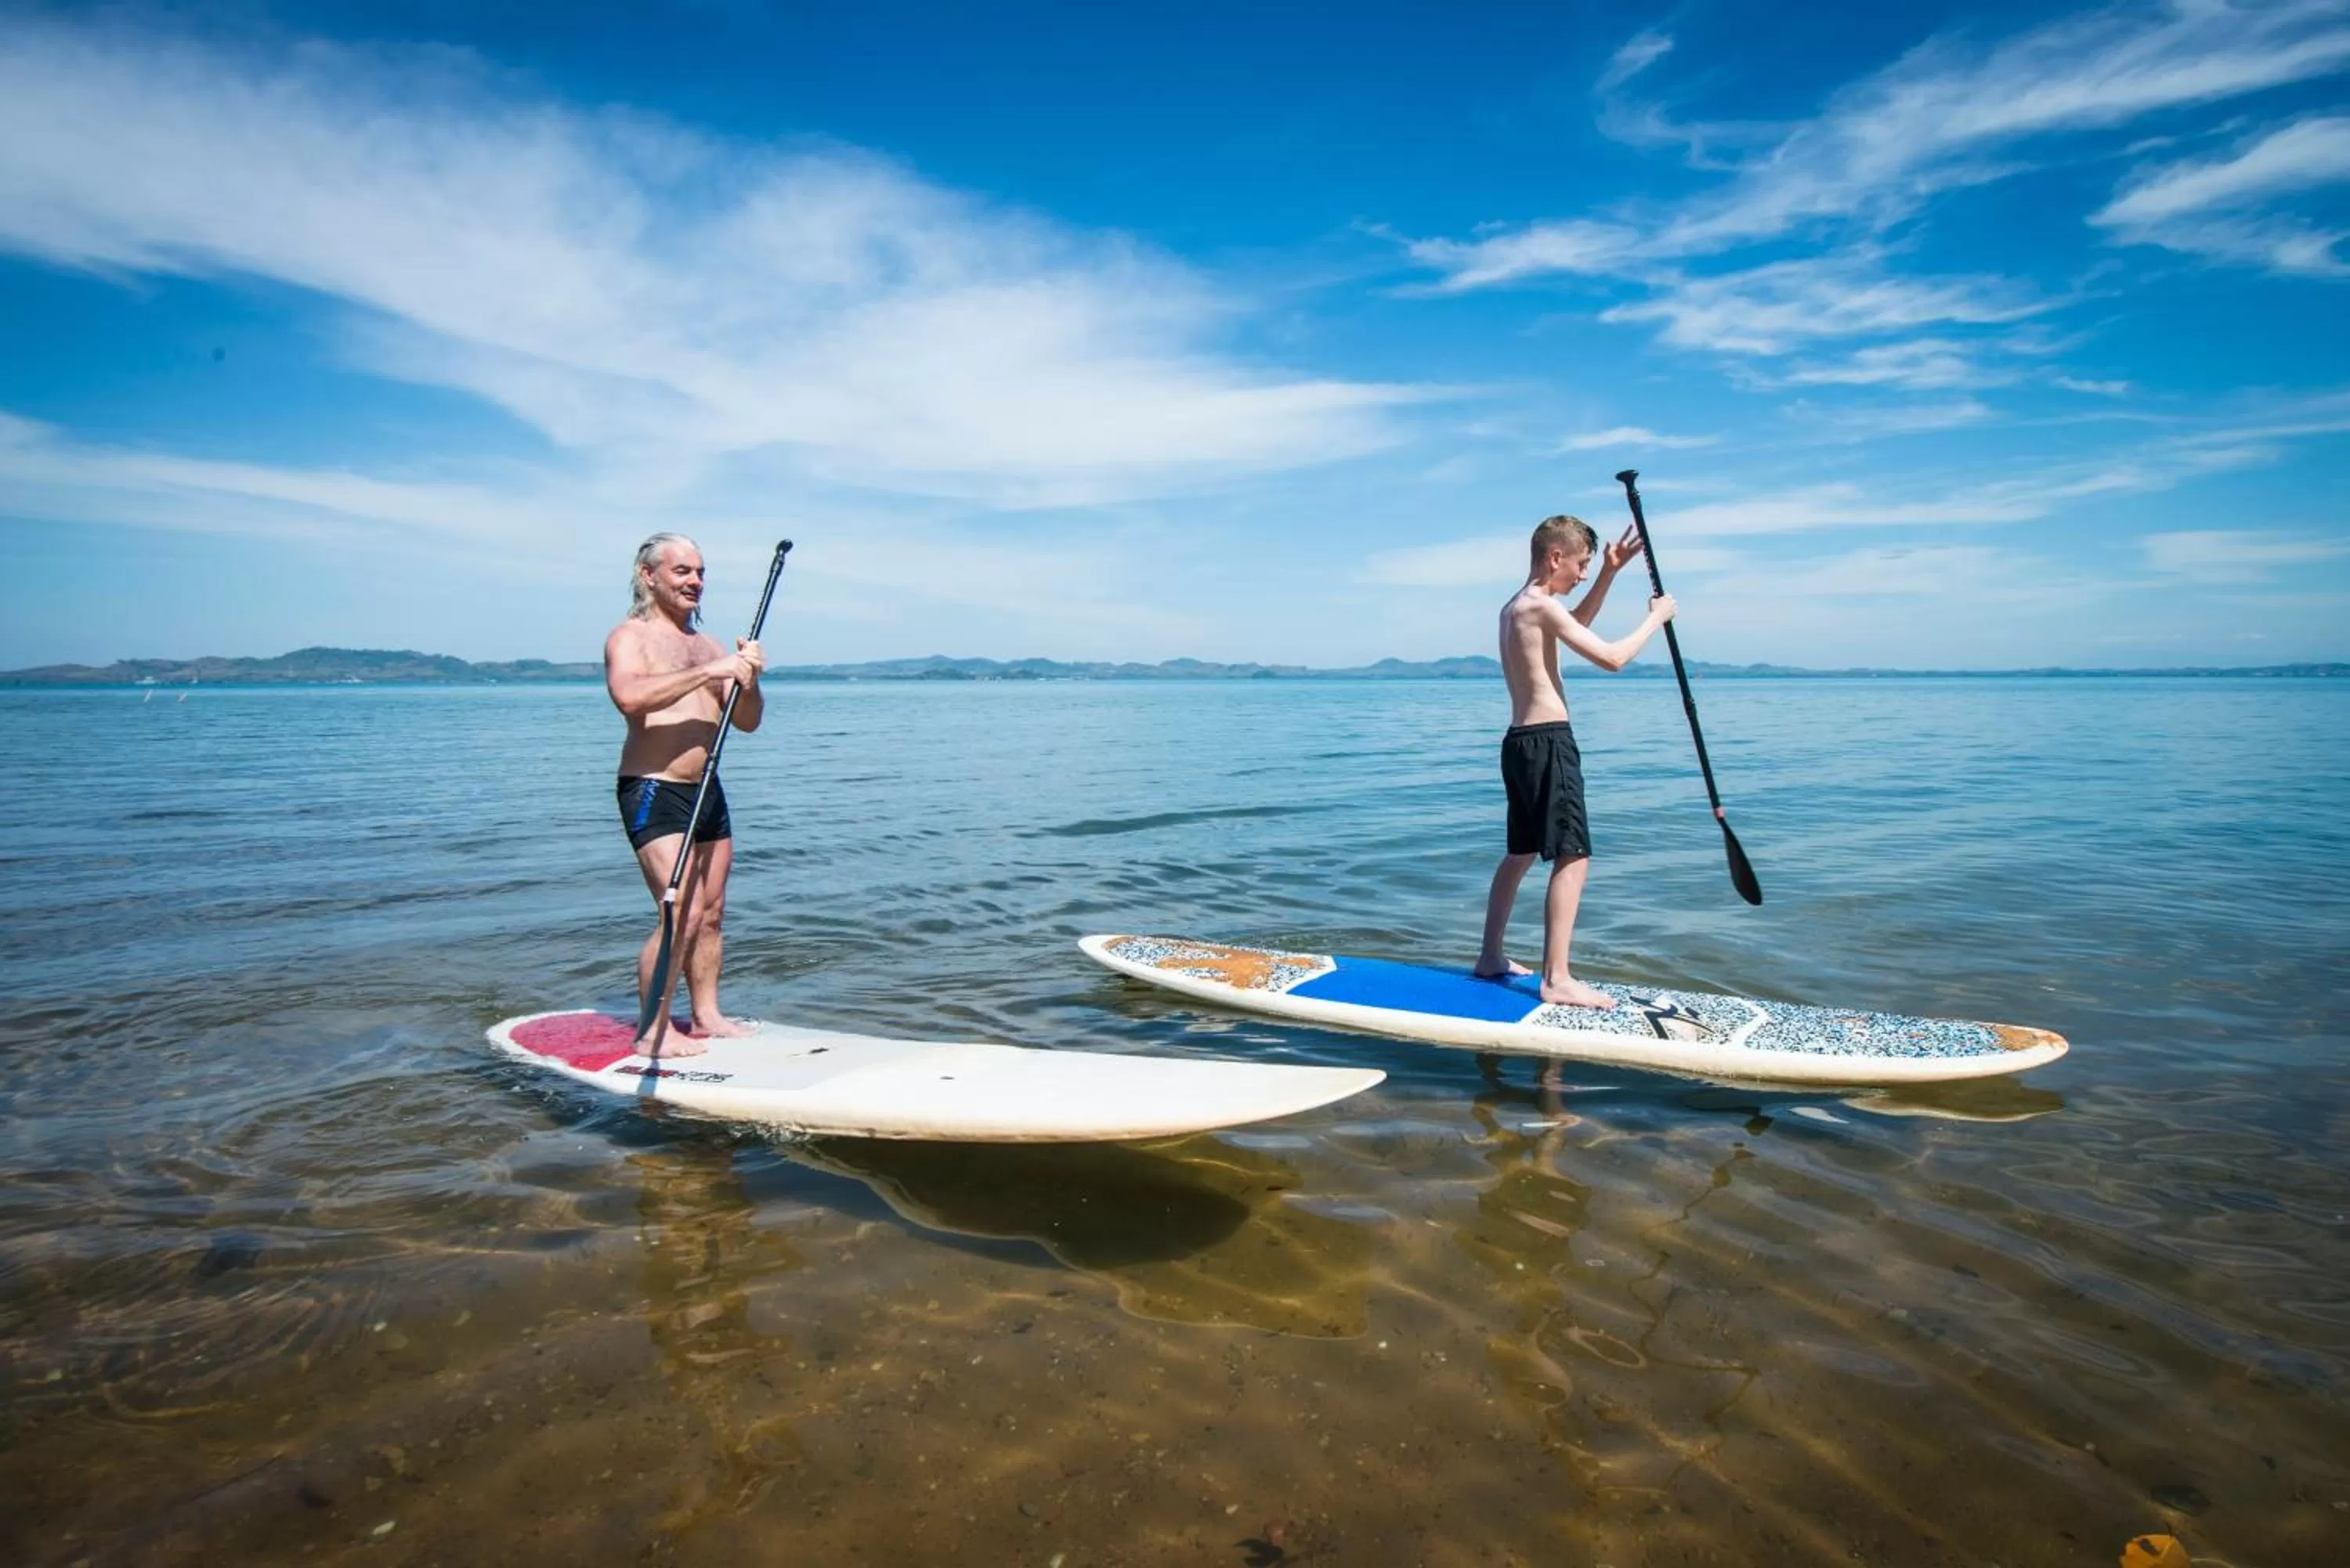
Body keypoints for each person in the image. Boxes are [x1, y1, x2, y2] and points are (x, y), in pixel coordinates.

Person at [1473, 514, 1674, 1007]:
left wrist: (1609, 572)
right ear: (1555, 556)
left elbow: (1574, 626)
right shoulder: (1540, 606)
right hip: (1548, 744)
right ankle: (1557, 978)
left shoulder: (1517, 607)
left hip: (1519, 744)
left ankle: (1491, 957)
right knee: (1573, 854)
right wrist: (1656, 617)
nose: (1582, 574)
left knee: (1520, 853)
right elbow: (1611, 658)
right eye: (1581, 565)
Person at [604, 533, 766, 1053]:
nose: (695, 581)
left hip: (706, 790)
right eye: (682, 571)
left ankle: (707, 1015)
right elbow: (629, 699)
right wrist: (710, 671)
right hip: (654, 788)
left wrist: (749, 679)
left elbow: (747, 722)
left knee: (712, 911)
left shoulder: (710, 645)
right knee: (681, 911)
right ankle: (652, 1031)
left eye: (700, 573)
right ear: (648, 575)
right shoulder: (629, 638)